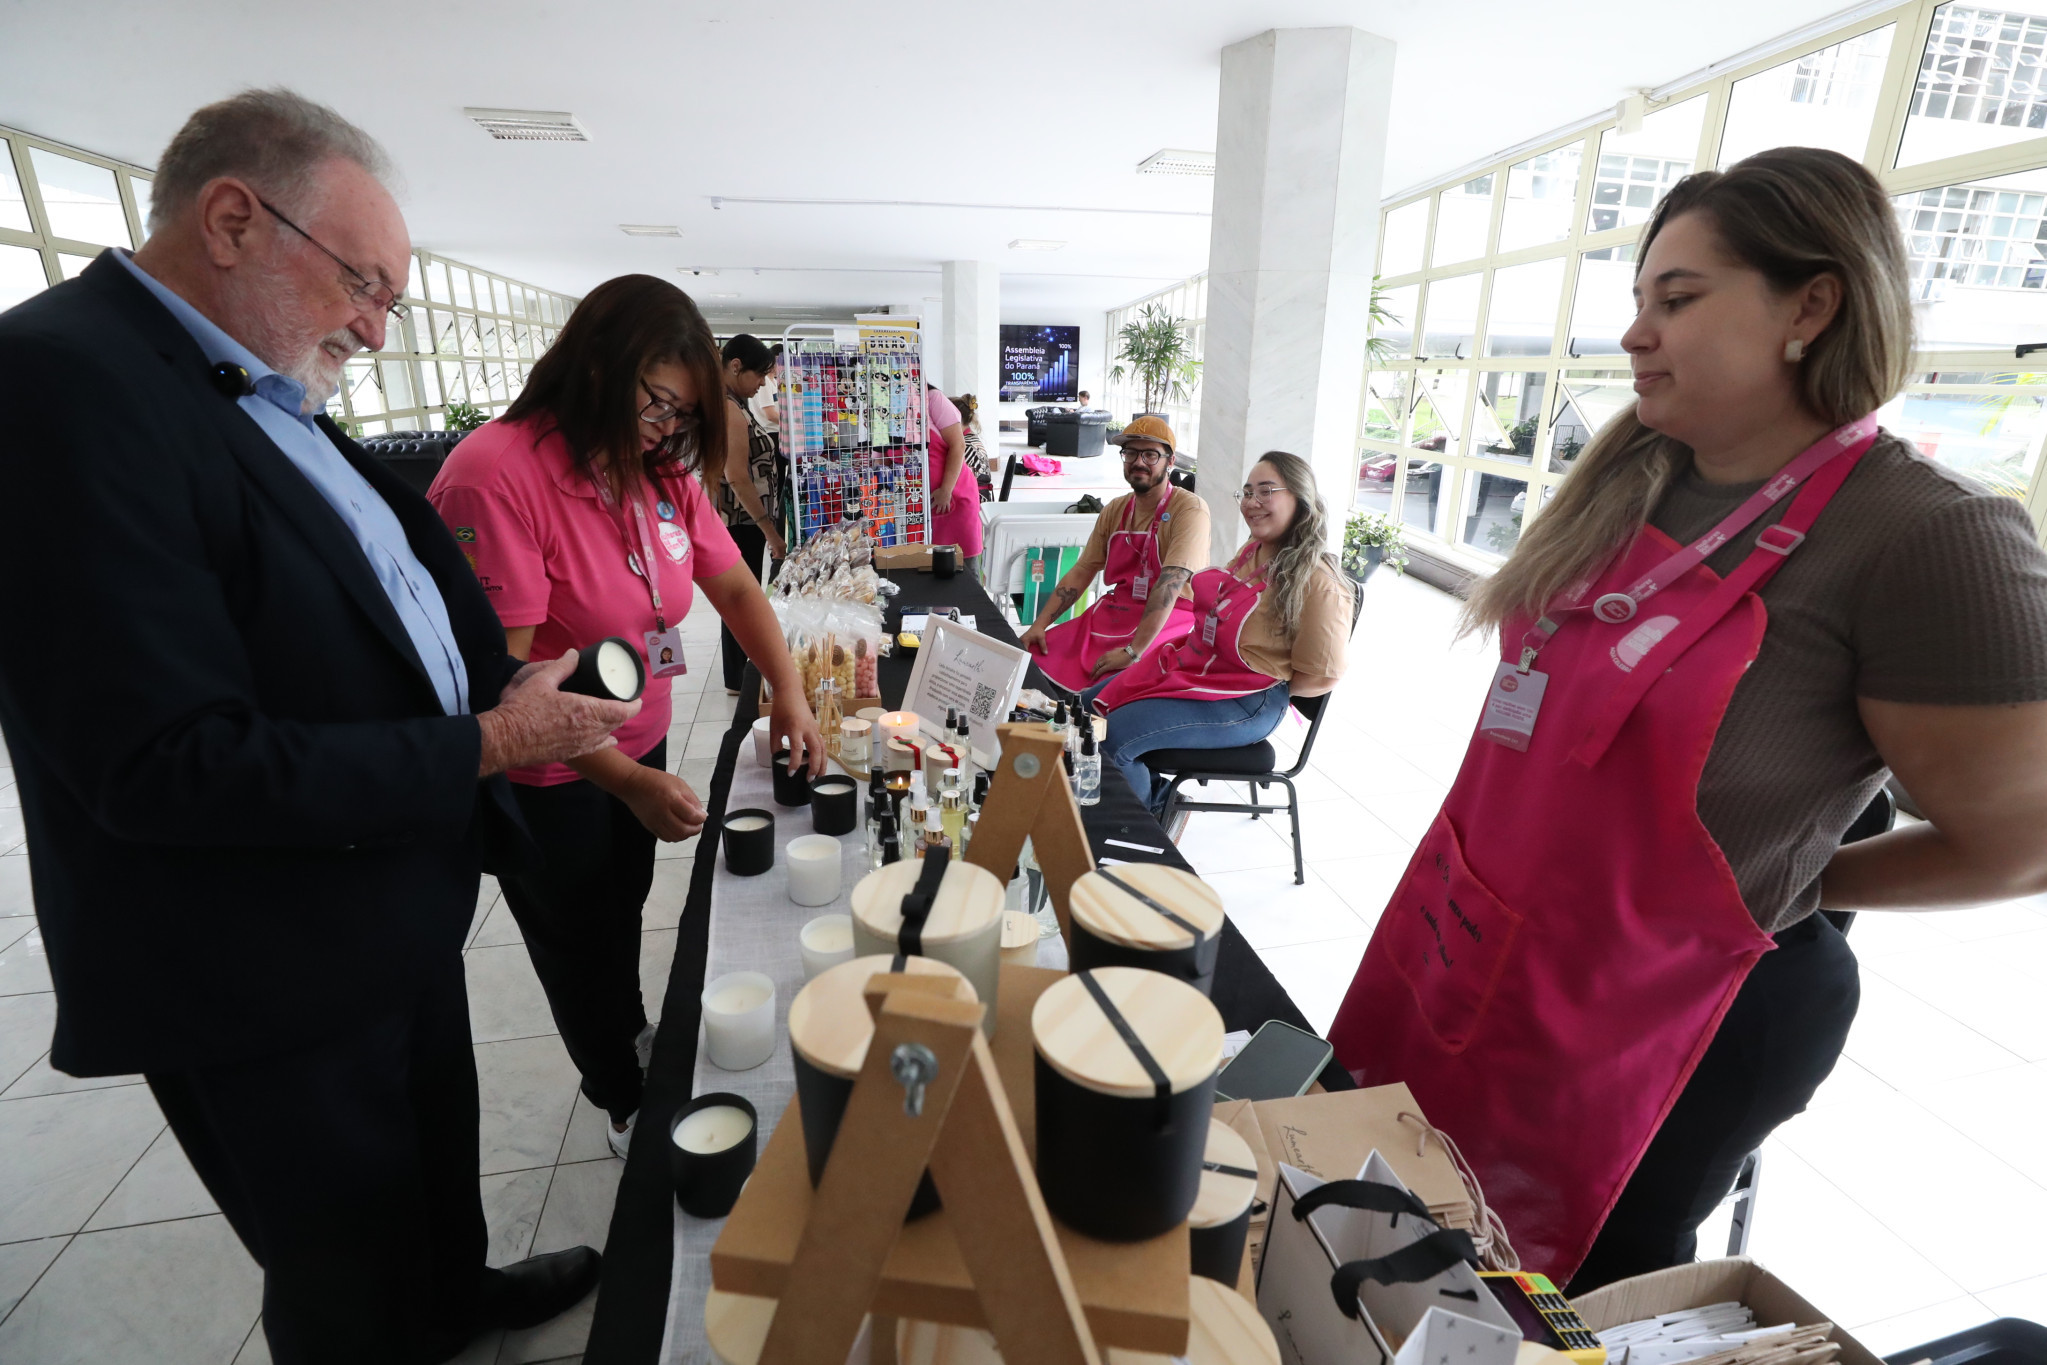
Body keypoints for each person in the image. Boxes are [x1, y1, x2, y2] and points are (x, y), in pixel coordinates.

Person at [1328, 147, 2047, 1294]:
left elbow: (2019, 849)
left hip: (1684, 1013)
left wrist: (1797, 885)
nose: (1634, 335)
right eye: (1638, 302)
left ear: (1811, 306)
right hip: (1490, 937)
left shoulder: (1926, 536)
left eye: (1677, 299)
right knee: (1404, 1215)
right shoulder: (1638, 476)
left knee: (1562, 1280)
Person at [0, 89, 618, 1362]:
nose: (376, 329)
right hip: (257, 954)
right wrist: (493, 747)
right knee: (342, 1257)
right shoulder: (59, 382)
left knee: (430, 1159)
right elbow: (164, 762)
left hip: (384, 892)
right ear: (234, 219)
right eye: (364, 286)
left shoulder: (246, 379)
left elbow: (353, 591)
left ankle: (457, 1295)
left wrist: (490, 689)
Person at [429, 280, 826, 1162]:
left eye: (682, 413)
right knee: (580, 942)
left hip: (632, 746)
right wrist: (631, 780)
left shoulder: (654, 470)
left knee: (621, 912)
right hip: (551, 775)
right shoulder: (498, 476)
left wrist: (787, 690)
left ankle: (630, 1035)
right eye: (656, 400)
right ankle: (616, 1092)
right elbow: (504, 687)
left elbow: (730, 584)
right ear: (595, 360)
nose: (663, 425)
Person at [1084, 450, 1350, 814]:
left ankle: (1151, 818)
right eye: (1247, 492)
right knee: (1085, 708)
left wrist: (1245, 681)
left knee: (1112, 737)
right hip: (1205, 671)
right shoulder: (1255, 551)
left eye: (1266, 491)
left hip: (1248, 699)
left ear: (1300, 498)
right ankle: (1146, 791)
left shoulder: (1320, 583)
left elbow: (1319, 677)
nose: (1252, 503)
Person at [1020, 415, 1210, 692]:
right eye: (1130, 453)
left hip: (1171, 616)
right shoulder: (1115, 509)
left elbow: (1171, 583)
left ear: (1170, 462)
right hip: (1117, 609)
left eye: (1150, 454)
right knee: (1036, 658)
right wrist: (1040, 624)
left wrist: (1133, 652)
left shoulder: (1189, 510)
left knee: (1114, 685)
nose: (1138, 462)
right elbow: (1083, 570)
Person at [713, 332, 785, 693]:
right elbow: (737, 477)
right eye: (760, 376)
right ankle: (737, 677)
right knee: (740, 598)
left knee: (743, 596)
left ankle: (740, 672)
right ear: (736, 366)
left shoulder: (733, 403)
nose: (762, 385)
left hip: (743, 520)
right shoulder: (727, 408)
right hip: (740, 522)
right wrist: (770, 531)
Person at [927, 383, 983, 576]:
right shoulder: (894, 406)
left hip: (955, 497)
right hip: (924, 504)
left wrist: (945, 490)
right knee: (932, 568)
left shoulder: (933, 399)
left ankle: (974, 607)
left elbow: (958, 445)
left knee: (965, 566)